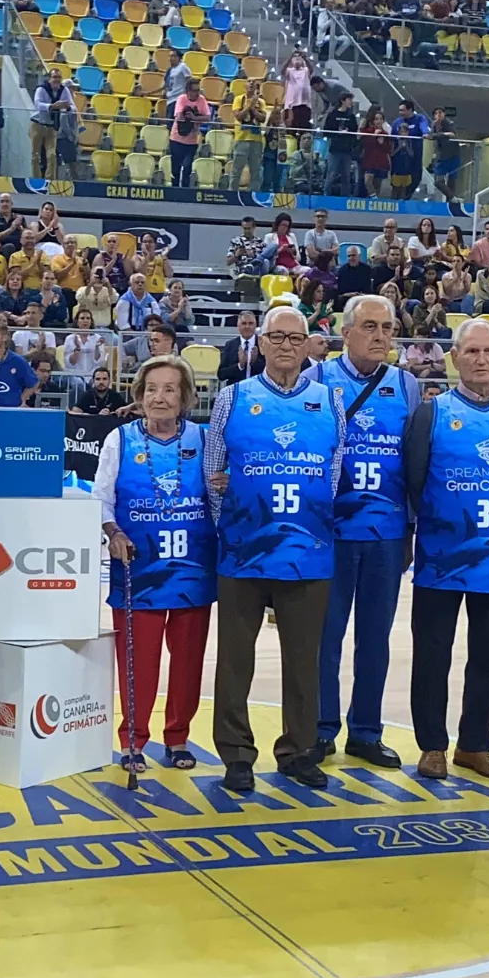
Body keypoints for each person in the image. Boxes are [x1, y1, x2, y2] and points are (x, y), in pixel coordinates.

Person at [205, 305, 341, 792]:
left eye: (295, 338)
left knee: (303, 661)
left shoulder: (329, 400)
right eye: (277, 337)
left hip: (308, 552)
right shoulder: (233, 397)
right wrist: (232, 525)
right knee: (234, 660)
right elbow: (212, 471)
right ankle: (237, 754)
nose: (286, 345)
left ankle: (299, 751)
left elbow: (333, 471)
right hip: (243, 551)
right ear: (260, 343)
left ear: (308, 346)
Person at [408, 319, 489, 783]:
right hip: (440, 558)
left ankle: (474, 746)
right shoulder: (432, 412)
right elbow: (415, 481)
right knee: (432, 656)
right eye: (471, 351)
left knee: (488, 657)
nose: (481, 360)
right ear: (455, 357)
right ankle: (432, 746)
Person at [305, 295, 420, 768]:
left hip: (386, 534)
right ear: (345, 332)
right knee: (324, 638)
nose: (380, 336)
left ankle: (367, 732)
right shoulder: (316, 378)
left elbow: (414, 463)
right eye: (370, 326)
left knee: (375, 639)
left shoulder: (407, 384)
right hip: (329, 532)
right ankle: (320, 728)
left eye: (387, 328)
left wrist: (410, 528)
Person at [96, 354, 213, 769]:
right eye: (151, 389)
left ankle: (178, 738)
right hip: (138, 570)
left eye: (169, 389)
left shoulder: (204, 439)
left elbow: (221, 493)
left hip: (192, 570)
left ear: (186, 398)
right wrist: (113, 532)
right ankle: (133, 740)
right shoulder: (119, 440)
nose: (159, 398)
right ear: (139, 396)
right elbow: (101, 498)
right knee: (138, 664)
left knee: (187, 664)